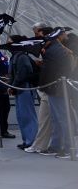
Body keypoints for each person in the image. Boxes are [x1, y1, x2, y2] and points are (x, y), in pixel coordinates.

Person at [39, 27, 74, 158]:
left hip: (56, 88)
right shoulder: (58, 50)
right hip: (57, 88)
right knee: (58, 118)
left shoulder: (53, 51)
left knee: (62, 118)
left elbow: (50, 71)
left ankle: (68, 147)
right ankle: (59, 146)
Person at [9, 36, 39, 150]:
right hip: (20, 88)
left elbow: (21, 73)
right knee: (22, 114)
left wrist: (13, 85)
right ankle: (27, 139)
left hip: (24, 88)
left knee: (27, 114)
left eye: (10, 42)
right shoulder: (18, 56)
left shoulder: (21, 57)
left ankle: (31, 140)